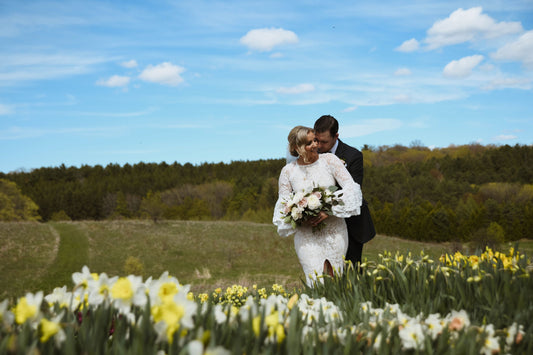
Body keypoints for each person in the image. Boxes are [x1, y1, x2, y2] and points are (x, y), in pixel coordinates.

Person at [273, 126, 362, 286]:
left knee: (335, 280)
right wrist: (300, 217)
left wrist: (329, 211)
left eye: (315, 140)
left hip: (334, 231)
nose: (315, 144)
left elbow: (351, 188)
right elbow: (283, 205)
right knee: (314, 280)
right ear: (296, 148)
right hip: (307, 236)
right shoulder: (288, 172)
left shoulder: (330, 161)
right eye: (309, 143)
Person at [313, 115, 376, 269]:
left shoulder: (353, 156)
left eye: (324, 142)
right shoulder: (313, 155)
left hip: (350, 223)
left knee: (350, 272)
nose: (319, 146)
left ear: (336, 136)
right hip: (322, 226)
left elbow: (353, 190)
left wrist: (327, 210)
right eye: (317, 140)